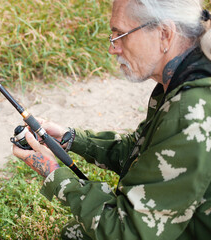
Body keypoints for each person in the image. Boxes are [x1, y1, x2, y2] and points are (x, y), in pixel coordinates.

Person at [13, 0, 211, 239]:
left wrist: (53, 172)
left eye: (121, 35)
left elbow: (126, 232)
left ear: (164, 34)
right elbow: (144, 153)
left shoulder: (191, 112)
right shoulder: (185, 75)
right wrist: (70, 139)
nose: (113, 48)